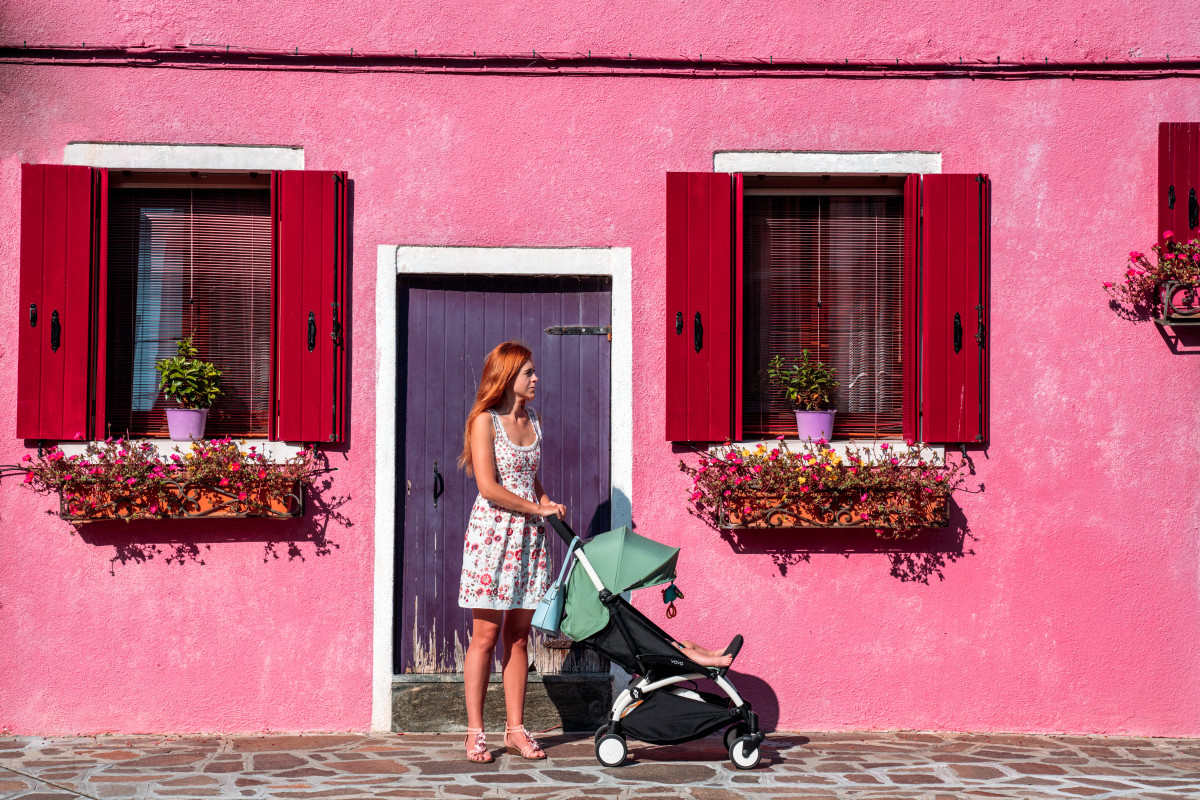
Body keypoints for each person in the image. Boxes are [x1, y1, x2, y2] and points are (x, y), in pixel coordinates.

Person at [457, 341, 566, 763]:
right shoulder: (484, 422)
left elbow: (530, 479)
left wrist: (547, 502)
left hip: (530, 538)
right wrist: (536, 507)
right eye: (528, 373)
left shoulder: (534, 419)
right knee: (484, 636)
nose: (536, 378)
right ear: (508, 377)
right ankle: (475, 731)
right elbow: (488, 487)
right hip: (493, 537)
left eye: (534, 372)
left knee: (519, 637)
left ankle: (515, 730)